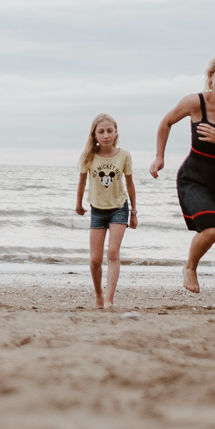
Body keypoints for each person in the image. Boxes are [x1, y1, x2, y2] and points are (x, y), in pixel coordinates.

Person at [150, 54, 215, 311]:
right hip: (194, 177)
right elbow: (166, 122)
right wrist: (159, 156)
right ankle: (190, 267)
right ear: (211, 77)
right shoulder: (194, 102)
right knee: (211, 230)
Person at [74, 113, 138, 309]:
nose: (106, 135)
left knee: (112, 253)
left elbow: (130, 183)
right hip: (97, 210)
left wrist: (134, 212)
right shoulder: (89, 157)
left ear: (116, 132)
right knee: (94, 260)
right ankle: (99, 295)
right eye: (101, 131)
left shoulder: (124, 155)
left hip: (119, 208)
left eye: (109, 131)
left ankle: (109, 300)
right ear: (94, 134)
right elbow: (82, 182)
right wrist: (78, 204)